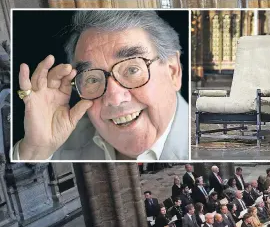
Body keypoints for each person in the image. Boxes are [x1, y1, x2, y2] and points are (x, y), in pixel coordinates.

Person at [15, 11, 189, 161]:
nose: (114, 98)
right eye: (92, 79)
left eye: (132, 69)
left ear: (173, 71)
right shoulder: (58, 144)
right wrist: (35, 150)